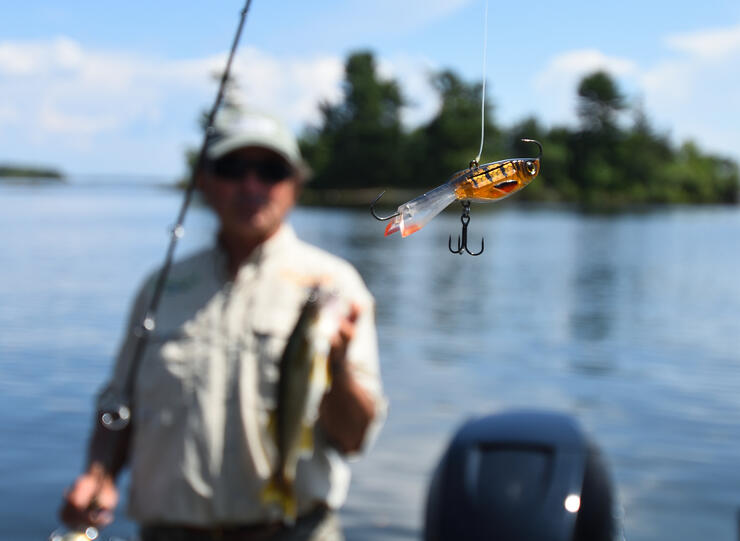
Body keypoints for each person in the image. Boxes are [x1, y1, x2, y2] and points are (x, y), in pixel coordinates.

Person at [59, 108, 386, 541]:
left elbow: (353, 439)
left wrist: (338, 368)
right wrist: (98, 474)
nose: (251, 186)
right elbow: (117, 406)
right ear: (206, 182)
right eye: (233, 169)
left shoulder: (336, 286)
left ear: (295, 184)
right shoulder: (159, 288)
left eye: (270, 170)